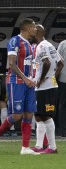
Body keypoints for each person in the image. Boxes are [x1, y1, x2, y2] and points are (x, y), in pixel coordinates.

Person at [0, 18, 38, 155]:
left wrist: (33, 79)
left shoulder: (30, 44)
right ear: (28, 28)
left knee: (29, 114)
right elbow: (11, 64)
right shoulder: (15, 41)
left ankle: (25, 148)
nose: (36, 30)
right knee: (17, 116)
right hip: (16, 82)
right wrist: (25, 79)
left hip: (29, 83)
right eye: (34, 27)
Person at [31, 24, 63, 154]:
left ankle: (53, 147)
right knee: (38, 115)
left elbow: (47, 62)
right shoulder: (49, 45)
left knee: (46, 116)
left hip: (46, 88)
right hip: (46, 87)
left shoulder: (42, 46)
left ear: (38, 32)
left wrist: (42, 79)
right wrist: (53, 77)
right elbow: (61, 63)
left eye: (33, 30)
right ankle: (39, 146)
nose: (31, 33)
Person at [57, 40, 66, 137]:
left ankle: (63, 130)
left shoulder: (63, 43)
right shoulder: (63, 43)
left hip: (63, 78)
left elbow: (57, 61)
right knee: (62, 105)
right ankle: (63, 129)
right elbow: (57, 60)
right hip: (63, 78)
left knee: (63, 105)